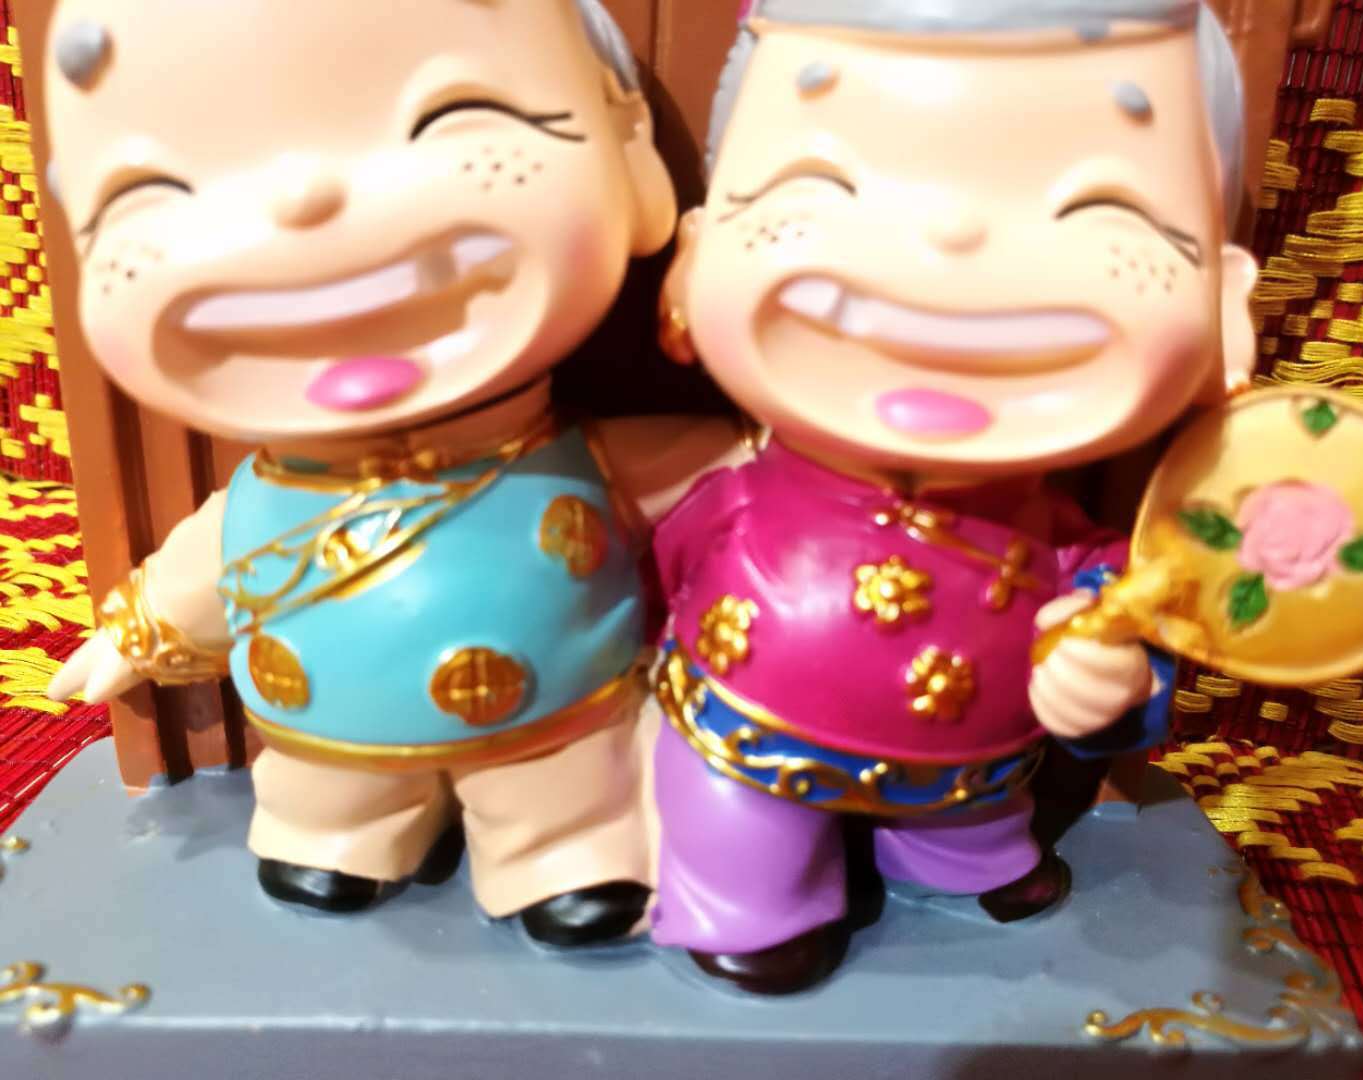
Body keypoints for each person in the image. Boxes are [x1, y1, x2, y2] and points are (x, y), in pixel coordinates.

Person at [44, 0, 734, 947]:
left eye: (449, 115)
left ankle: (565, 851)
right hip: (326, 725)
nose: (303, 201)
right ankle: (334, 839)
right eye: (151, 188)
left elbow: (709, 473)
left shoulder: (571, 459)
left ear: (632, 156)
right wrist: (141, 626)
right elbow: (220, 559)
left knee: (562, 787)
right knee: (326, 792)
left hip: (556, 723)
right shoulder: (270, 491)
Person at [650, 0, 1260, 993]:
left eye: (1101, 204)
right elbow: (661, 561)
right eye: (824, 179)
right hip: (752, 735)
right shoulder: (731, 482)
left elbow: (1119, 595)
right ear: (694, 259)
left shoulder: (1057, 529)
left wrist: (1111, 675)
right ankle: (748, 899)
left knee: (974, 821)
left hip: (974, 759)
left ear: (1225, 312)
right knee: (736, 826)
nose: (951, 233)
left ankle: (961, 858)